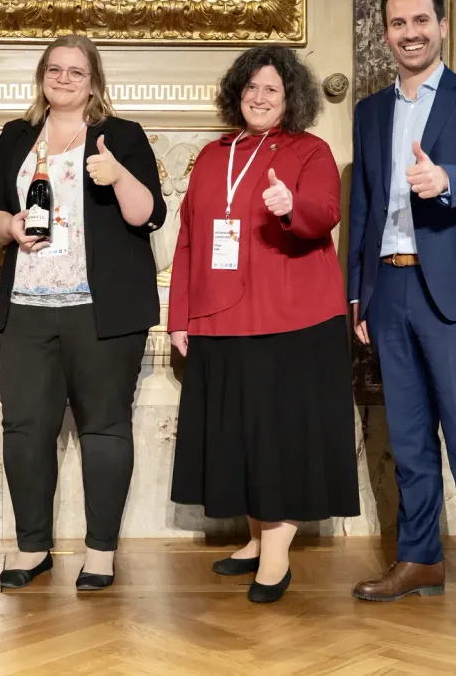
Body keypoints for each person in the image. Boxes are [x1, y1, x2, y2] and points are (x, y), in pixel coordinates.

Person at [348, 0, 456, 628]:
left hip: (455, 288)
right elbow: (362, 204)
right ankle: (419, 557)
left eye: (421, 20)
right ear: (385, 33)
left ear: (442, 26)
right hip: (388, 285)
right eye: (398, 23)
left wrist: (448, 179)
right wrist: (357, 292)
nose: (410, 33)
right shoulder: (370, 112)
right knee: (410, 435)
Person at [168, 45, 360, 603]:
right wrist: (180, 314)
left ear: (290, 98)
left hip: (293, 320)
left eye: (271, 89)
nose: (259, 96)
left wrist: (289, 204)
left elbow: (326, 212)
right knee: (243, 436)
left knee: (279, 440)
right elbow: (188, 239)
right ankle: (254, 540)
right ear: (237, 93)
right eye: (251, 87)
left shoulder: (310, 150)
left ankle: (275, 558)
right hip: (220, 317)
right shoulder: (211, 154)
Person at [0, 35, 165, 591]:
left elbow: (148, 215)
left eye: (76, 71)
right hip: (28, 309)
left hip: (102, 312)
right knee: (24, 431)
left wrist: (118, 174)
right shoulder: (16, 137)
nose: (64, 79)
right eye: (55, 69)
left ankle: (100, 552)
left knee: (105, 430)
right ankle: (31, 546)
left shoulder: (121, 136)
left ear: (94, 81)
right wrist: (11, 227)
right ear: (42, 75)